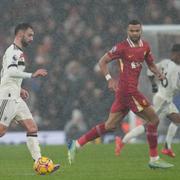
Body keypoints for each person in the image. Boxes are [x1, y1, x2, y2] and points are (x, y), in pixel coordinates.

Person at [67, 19, 173, 169]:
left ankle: (76, 144)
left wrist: (159, 74)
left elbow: (150, 64)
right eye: (132, 31)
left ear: (141, 31)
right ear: (127, 31)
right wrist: (109, 79)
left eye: (137, 31)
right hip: (129, 91)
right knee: (154, 120)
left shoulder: (145, 46)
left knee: (110, 125)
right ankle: (154, 159)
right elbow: (102, 61)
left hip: (125, 92)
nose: (134, 33)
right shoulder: (121, 47)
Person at [0, 23, 59, 172]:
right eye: (30, 35)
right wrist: (31, 75)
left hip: (15, 95)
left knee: (32, 127)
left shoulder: (16, 52)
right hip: (7, 96)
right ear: (20, 34)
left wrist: (19, 88)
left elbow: (5, 74)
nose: (32, 39)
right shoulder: (14, 52)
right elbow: (11, 72)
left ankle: (39, 163)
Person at [115, 44, 180, 158]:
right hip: (164, 101)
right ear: (176, 54)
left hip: (162, 97)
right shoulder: (176, 68)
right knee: (149, 125)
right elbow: (174, 86)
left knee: (177, 120)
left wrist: (154, 85)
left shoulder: (165, 62)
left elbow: (150, 72)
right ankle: (122, 141)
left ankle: (167, 147)